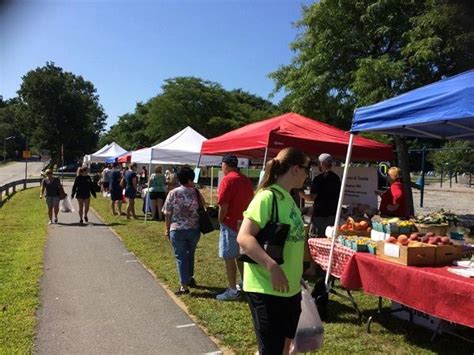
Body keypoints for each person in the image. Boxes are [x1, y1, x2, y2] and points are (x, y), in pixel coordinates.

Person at [237, 147, 309, 355]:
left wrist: (297, 274)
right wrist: (272, 266)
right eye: (306, 169)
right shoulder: (267, 198)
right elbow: (244, 238)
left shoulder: (289, 198)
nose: (307, 175)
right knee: (271, 350)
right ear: (295, 169)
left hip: (290, 288)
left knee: (285, 347)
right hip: (266, 288)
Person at [215, 154, 254, 301]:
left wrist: (220, 220)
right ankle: (245, 284)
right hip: (243, 223)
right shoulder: (245, 179)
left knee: (229, 257)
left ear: (226, 164)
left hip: (230, 223)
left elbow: (223, 206)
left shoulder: (228, 179)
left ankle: (232, 290)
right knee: (241, 256)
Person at [162, 166, 203, 295]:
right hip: (194, 228)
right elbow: (203, 206)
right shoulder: (196, 192)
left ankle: (183, 285)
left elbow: (168, 213)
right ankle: (189, 277)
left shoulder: (173, 193)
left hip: (177, 229)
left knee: (180, 256)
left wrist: (167, 229)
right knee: (190, 254)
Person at [300, 153, 341, 236]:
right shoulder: (337, 178)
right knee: (329, 238)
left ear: (322, 163)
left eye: (318, 163)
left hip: (320, 216)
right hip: (333, 215)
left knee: (317, 239)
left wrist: (301, 194)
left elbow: (312, 197)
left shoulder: (319, 179)